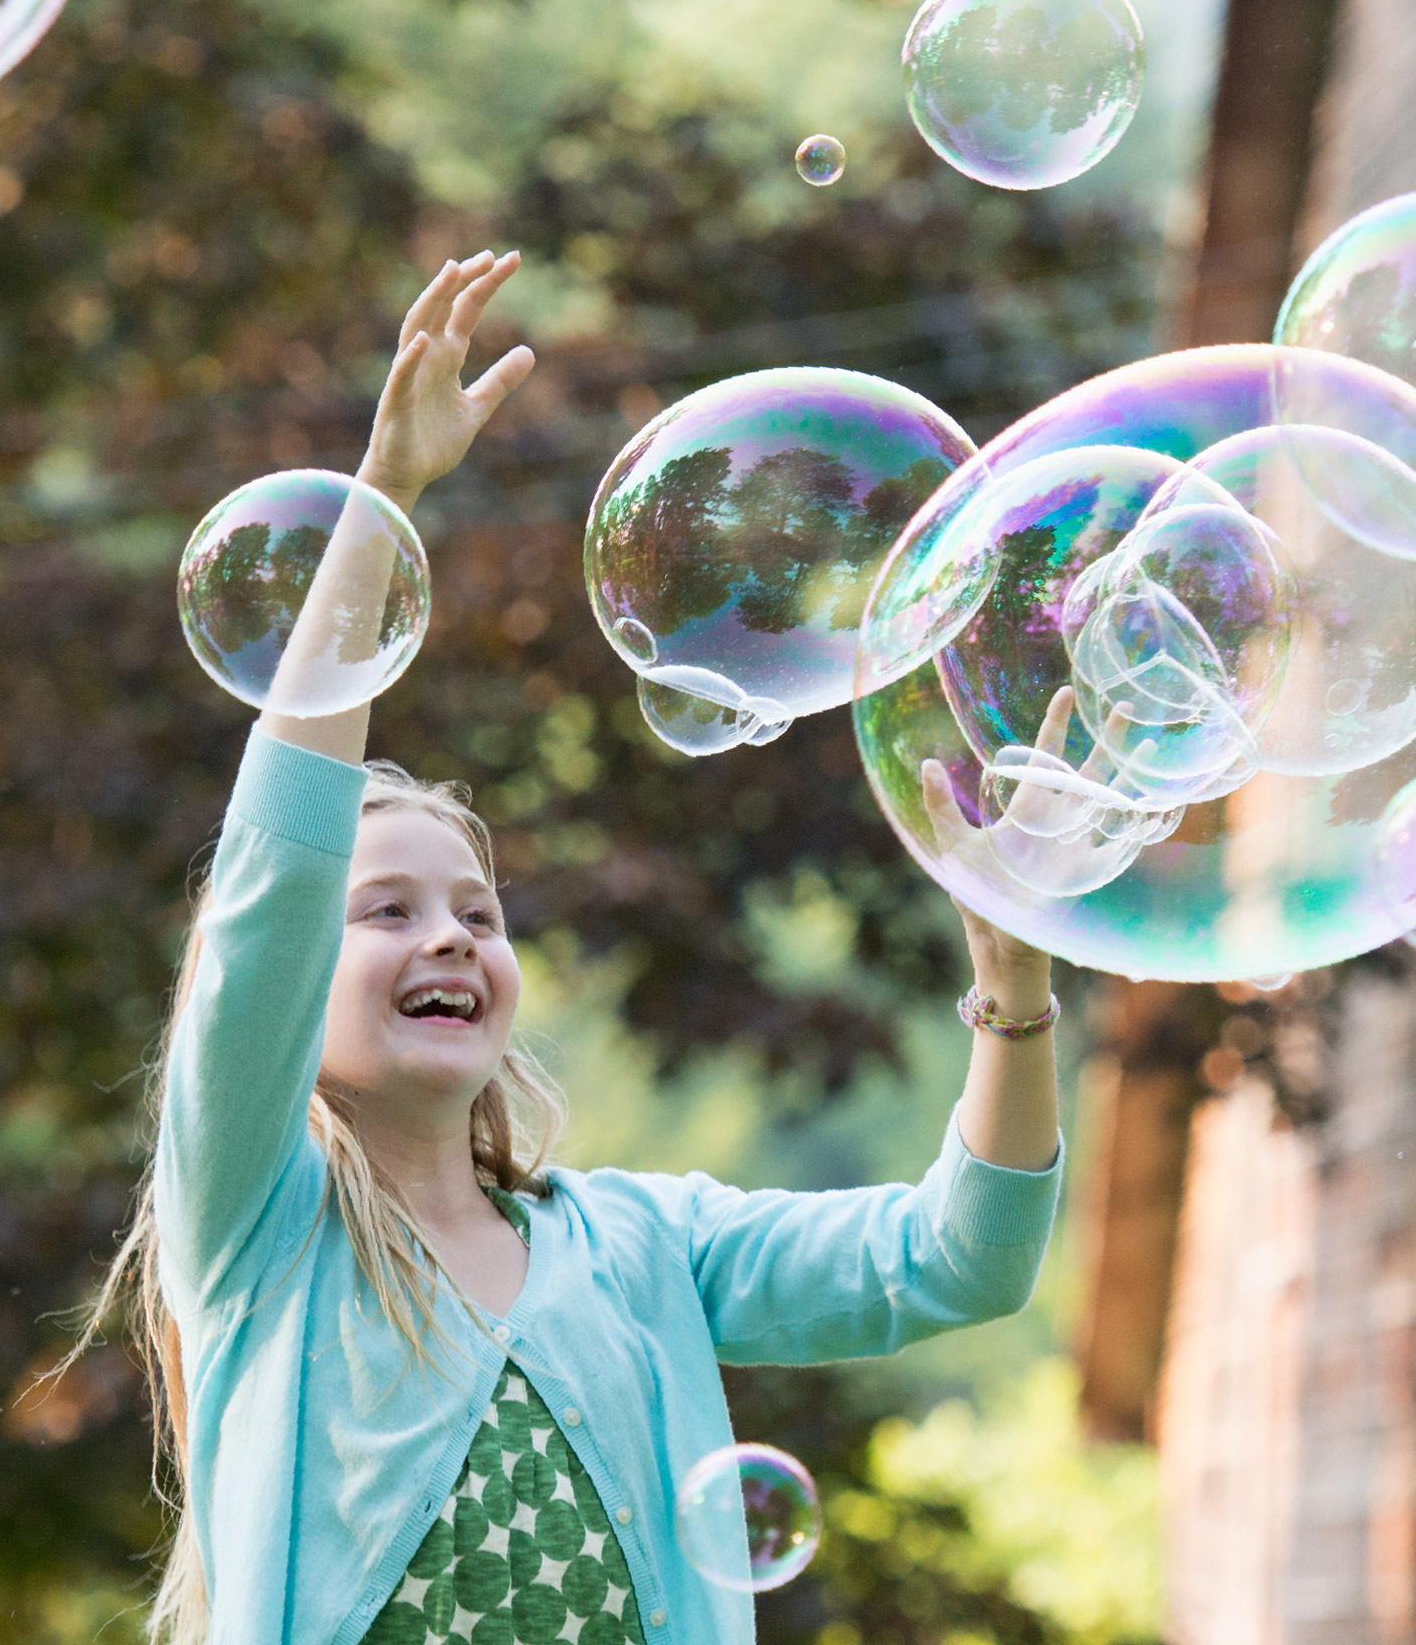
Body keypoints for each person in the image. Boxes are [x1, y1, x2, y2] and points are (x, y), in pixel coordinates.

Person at [79, 250, 1065, 1645]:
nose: (451, 940)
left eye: (479, 914)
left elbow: (956, 1261)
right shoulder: (260, 1222)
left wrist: (1012, 998)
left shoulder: (644, 1245)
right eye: (389, 912)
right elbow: (268, 890)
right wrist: (385, 500)